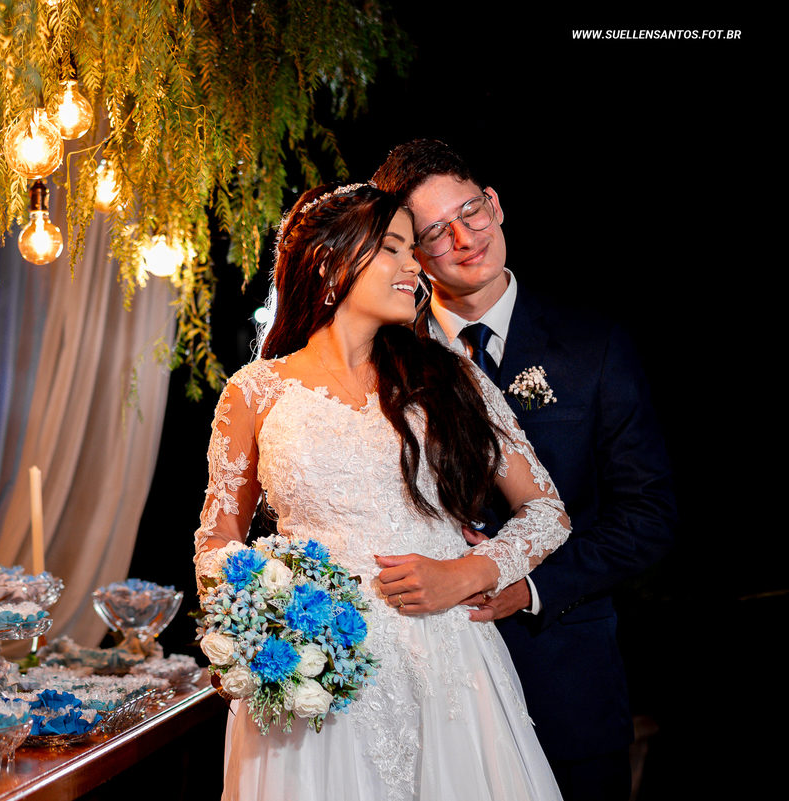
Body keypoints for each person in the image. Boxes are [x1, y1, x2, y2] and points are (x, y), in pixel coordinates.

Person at [193, 182, 570, 800]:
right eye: (393, 248)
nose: (413, 265)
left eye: (411, 249)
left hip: (446, 664)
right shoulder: (255, 391)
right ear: (331, 262)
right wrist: (258, 626)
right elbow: (218, 538)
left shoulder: (450, 375)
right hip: (316, 677)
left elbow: (547, 511)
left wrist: (470, 572)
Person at [371, 140, 676, 801]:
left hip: (566, 686)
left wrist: (529, 585)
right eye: (435, 232)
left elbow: (647, 517)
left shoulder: (595, 345)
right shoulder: (382, 360)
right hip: (428, 689)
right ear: (411, 253)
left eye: (471, 212)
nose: (465, 239)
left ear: (495, 204)